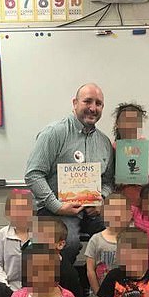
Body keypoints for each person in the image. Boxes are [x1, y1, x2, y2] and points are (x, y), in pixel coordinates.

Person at [25, 83, 115, 264]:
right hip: (55, 210)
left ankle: (101, 285)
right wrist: (57, 206)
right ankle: (61, 289)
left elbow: (108, 181)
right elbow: (33, 174)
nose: (93, 108)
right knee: (68, 243)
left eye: (98, 103)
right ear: (75, 103)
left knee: (116, 238)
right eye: (87, 101)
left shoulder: (104, 142)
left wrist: (101, 199)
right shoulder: (54, 133)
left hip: (91, 210)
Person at [112, 103, 149, 206]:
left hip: (143, 196)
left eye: (134, 121)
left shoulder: (144, 145)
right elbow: (110, 172)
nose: (129, 125)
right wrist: (116, 180)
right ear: (117, 124)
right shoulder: (114, 147)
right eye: (125, 121)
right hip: (122, 197)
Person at [0, 189, 34, 291]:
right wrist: (4, 285)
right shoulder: (3, 234)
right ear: (8, 212)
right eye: (16, 209)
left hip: (35, 289)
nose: (21, 213)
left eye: (25, 208)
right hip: (9, 287)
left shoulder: (40, 233)